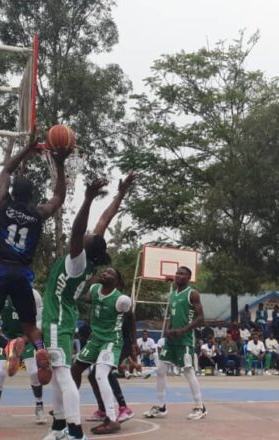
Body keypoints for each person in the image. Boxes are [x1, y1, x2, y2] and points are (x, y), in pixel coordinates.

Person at [42, 176, 132, 440]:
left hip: (57, 318)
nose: (90, 233)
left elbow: (77, 230)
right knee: (65, 374)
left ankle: (75, 432)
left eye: (89, 237)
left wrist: (88, 198)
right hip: (63, 315)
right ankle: (59, 427)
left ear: (85, 247)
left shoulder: (77, 262)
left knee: (63, 375)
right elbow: (104, 220)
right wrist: (120, 194)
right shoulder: (89, 259)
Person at [0, 135, 72, 389]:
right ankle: (40, 348)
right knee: (29, 326)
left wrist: (26, 150)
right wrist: (60, 163)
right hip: (22, 275)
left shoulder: (1, 205)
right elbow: (59, 197)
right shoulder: (37, 214)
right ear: (32, 196)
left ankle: (7, 344)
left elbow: (6, 169)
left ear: (11, 191)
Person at [70, 268, 133, 435]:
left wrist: (133, 343)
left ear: (117, 281)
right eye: (104, 272)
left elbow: (131, 317)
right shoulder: (94, 289)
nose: (105, 274)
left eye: (110, 273)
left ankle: (112, 419)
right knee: (75, 369)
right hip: (96, 338)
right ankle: (69, 405)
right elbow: (90, 300)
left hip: (112, 340)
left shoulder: (121, 299)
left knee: (100, 374)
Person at [144, 266, 207, 421]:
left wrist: (183, 330)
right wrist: (167, 330)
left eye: (182, 274)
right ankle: (161, 406)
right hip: (171, 340)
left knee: (188, 371)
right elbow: (171, 317)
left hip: (185, 339)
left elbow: (201, 318)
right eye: (177, 273)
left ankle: (200, 407)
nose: (178, 276)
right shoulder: (172, 295)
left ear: (188, 277)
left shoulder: (192, 293)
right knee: (160, 370)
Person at [0, 292, 46, 428]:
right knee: (0, 372)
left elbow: (39, 322)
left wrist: (24, 340)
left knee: (33, 373)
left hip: (27, 338)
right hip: (5, 339)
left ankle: (39, 406)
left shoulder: (34, 294)